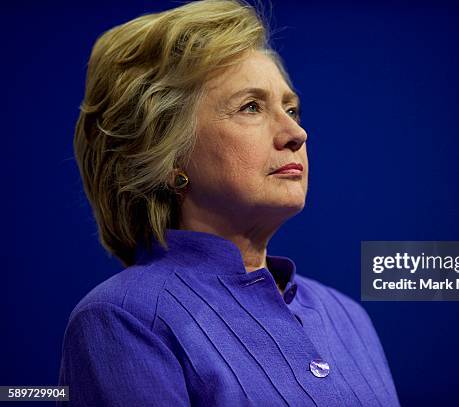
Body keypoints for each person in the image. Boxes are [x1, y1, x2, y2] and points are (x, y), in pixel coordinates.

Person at [59, 1, 400, 405]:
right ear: (166, 155)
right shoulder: (123, 320)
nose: (296, 132)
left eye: (291, 109)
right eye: (251, 107)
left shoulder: (347, 318)